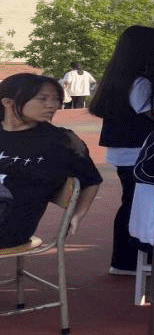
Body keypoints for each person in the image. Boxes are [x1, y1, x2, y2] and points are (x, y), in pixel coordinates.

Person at [89, 26, 154, 275]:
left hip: (126, 152)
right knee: (136, 206)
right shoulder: (140, 83)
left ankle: (126, 260)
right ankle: (126, 260)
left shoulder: (121, 78)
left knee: (131, 204)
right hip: (137, 153)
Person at [0, 74, 102, 249]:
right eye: (43, 99)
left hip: (10, 226)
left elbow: (91, 180)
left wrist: (77, 215)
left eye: (56, 99)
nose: (52, 105)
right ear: (8, 102)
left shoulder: (61, 141)